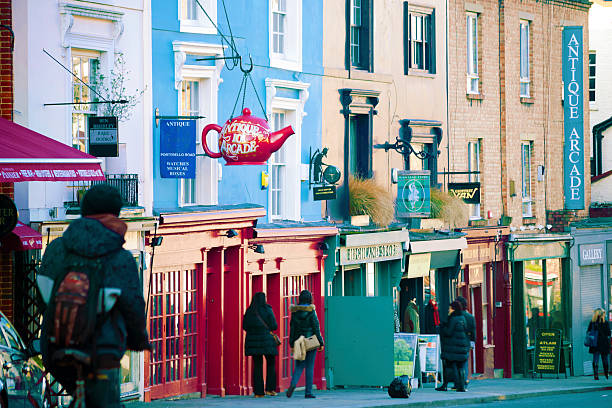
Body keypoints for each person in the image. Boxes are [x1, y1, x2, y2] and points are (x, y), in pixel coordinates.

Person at [39, 184, 150, 408]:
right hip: (102, 352)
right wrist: (139, 339)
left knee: (78, 393)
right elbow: (133, 306)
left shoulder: (56, 249)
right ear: (117, 213)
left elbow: (43, 295)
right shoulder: (120, 258)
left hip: (56, 349)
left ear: (83, 211)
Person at [286, 290, 324, 399]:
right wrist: (320, 342)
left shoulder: (295, 312)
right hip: (310, 341)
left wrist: (291, 343)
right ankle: (308, 392)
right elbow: (316, 327)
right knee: (309, 366)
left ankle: (293, 384)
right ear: (309, 299)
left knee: (299, 366)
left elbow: (292, 328)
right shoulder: (311, 311)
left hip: (299, 342)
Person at [242, 292, 279, 397]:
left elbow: (244, 326)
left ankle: (258, 392)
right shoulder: (267, 309)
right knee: (271, 364)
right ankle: (270, 389)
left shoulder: (249, 311)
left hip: (254, 342)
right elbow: (274, 325)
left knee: (257, 366)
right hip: (267, 340)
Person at [436, 300, 470, 392]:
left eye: (450, 308)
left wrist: (442, 327)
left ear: (453, 309)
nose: (448, 310)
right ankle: (461, 386)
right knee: (460, 367)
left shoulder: (453, 319)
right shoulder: (462, 318)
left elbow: (449, 332)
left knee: (449, 366)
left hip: (453, 348)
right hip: (461, 347)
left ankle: (445, 385)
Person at [456, 296, 476, 389]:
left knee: (456, 363)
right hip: (466, 343)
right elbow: (473, 331)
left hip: (455, 343)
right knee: (464, 363)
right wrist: (472, 343)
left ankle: (458, 382)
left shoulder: (455, 316)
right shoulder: (470, 317)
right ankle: (464, 381)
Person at [587, 308, 611, 380]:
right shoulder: (606, 322)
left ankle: (596, 375)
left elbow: (588, 332)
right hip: (604, 343)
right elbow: (608, 333)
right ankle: (606, 374)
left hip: (595, 343)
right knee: (605, 359)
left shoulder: (592, 322)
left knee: (595, 359)